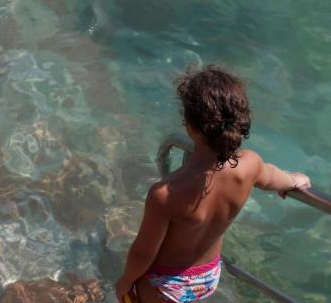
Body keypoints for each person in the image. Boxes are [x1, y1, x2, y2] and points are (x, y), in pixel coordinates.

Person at [115, 66, 311, 303]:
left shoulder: (165, 194)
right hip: (207, 277)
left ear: (189, 125)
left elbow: (142, 253)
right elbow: (274, 178)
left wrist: (125, 280)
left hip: (167, 286)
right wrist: (294, 180)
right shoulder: (250, 165)